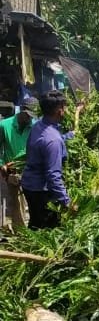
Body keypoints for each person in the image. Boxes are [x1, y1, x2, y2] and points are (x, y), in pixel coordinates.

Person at [20, 90, 72, 229]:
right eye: (64, 107)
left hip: (29, 184)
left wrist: (68, 136)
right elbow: (53, 176)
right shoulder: (53, 140)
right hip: (41, 191)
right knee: (47, 230)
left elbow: (46, 141)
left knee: (35, 224)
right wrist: (66, 202)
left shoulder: (38, 125)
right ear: (59, 110)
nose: (65, 111)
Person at [0, 97, 38, 231]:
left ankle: (28, 229)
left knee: (31, 202)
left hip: (30, 170)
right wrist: (2, 164)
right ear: (21, 110)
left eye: (32, 116)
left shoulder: (34, 126)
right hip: (12, 171)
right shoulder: (4, 125)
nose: (29, 119)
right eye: (27, 115)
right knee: (16, 204)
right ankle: (21, 233)